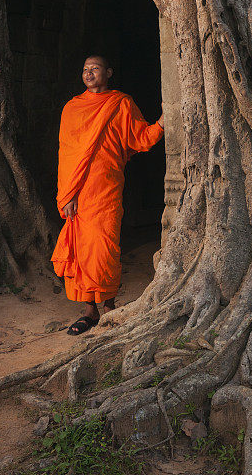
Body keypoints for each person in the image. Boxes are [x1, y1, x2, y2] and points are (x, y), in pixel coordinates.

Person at [51, 55, 164, 335]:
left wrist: (163, 121)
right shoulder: (72, 108)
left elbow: (142, 137)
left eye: (95, 68)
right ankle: (89, 311)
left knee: (106, 246)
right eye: (85, 69)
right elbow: (66, 155)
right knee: (81, 251)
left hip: (106, 189)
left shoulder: (121, 103)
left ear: (108, 72)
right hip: (78, 192)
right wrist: (68, 194)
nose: (89, 73)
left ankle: (110, 306)